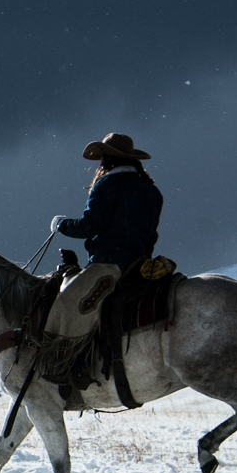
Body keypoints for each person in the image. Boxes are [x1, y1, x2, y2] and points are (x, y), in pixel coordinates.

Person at [43, 133, 163, 344]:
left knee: (65, 304)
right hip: (140, 265)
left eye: (102, 157)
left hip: (108, 263)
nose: (99, 162)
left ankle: (67, 365)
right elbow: (150, 236)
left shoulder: (107, 185)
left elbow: (88, 227)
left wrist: (61, 224)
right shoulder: (151, 190)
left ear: (108, 158)